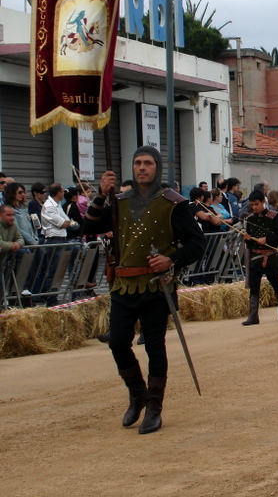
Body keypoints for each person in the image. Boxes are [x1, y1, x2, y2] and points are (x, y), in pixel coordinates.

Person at [83, 146, 205, 434]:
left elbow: (197, 243)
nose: (142, 167)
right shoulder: (119, 202)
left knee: (154, 346)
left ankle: (153, 406)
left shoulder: (173, 203)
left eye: (148, 163)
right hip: (124, 285)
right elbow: (87, 227)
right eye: (137, 162)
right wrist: (101, 195)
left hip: (156, 286)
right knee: (117, 343)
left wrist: (171, 259)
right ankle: (137, 393)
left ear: (157, 167)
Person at [241, 190, 278, 325]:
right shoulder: (250, 219)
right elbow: (249, 243)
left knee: (275, 283)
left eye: (256, 204)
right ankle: (253, 315)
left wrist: (267, 239)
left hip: (270, 257)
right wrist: (248, 239)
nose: (254, 207)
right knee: (254, 286)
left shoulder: (274, 217)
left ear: (263, 202)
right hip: (255, 257)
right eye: (252, 205)